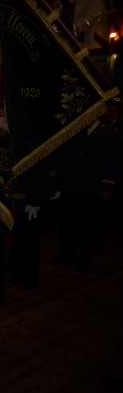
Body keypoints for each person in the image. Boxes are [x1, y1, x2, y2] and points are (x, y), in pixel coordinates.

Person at [53, 104, 119, 272]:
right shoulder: (76, 130)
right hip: (71, 184)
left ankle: (85, 259)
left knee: (87, 227)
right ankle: (67, 255)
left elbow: (112, 162)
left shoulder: (109, 133)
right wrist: (59, 182)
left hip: (91, 187)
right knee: (67, 224)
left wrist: (107, 186)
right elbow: (66, 157)